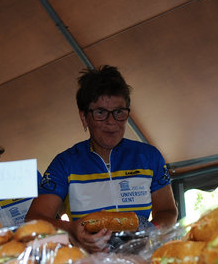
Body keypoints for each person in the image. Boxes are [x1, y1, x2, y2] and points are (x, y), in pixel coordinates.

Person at [25, 65, 178, 252]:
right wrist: (71, 230)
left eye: (119, 112)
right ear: (84, 118)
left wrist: (149, 232)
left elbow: (168, 212)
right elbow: (34, 219)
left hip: (141, 263)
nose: (111, 121)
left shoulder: (149, 156)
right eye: (100, 113)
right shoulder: (65, 163)